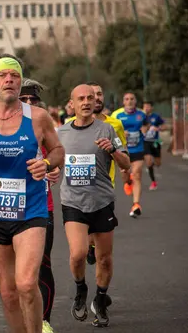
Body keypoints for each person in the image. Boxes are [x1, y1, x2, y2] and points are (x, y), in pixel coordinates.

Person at [0, 55, 64, 333]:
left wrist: (46, 164)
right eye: (2, 75)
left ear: (20, 81)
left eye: (14, 76)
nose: (9, 80)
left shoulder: (38, 117)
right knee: (8, 293)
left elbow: (58, 151)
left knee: (27, 284)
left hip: (31, 211)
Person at [57, 84, 130, 327]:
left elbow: (126, 162)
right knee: (78, 254)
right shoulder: (61, 132)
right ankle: (80, 289)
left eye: (90, 97)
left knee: (104, 259)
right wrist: (48, 170)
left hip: (101, 201)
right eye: (81, 98)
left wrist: (113, 152)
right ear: (72, 103)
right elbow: (51, 162)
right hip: (73, 202)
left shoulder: (107, 129)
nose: (87, 102)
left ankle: (99, 298)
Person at [66, 82, 127, 265]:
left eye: (97, 95)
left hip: (104, 185)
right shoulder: (67, 127)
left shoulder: (113, 125)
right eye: (85, 97)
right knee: (80, 247)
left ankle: (93, 247)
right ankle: (90, 247)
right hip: (77, 192)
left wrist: (115, 153)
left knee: (100, 245)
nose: (95, 98)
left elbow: (123, 154)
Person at [18, 78, 61, 333]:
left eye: (33, 100)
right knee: (17, 276)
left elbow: (56, 153)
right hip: (6, 208)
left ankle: (44, 322)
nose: (29, 104)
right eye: (24, 99)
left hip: (40, 206)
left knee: (42, 266)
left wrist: (53, 169)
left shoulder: (42, 122)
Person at [112, 93, 149, 217]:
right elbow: (110, 132)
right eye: (127, 99)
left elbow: (146, 125)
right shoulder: (116, 115)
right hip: (123, 151)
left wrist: (144, 131)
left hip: (138, 148)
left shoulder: (141, 114)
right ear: (123, 102)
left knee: (137, 173)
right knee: (125, 175)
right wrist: (122, 133)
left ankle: (136, 204)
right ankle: (128, 183)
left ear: (135, 101)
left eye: (132, 99)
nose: (129, 101)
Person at [142, 100, 164, 190]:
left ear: (151, 107)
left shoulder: (156, 116)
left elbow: (164, 126)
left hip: (155, 142)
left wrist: (158, 128)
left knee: (158, 163)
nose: (146, 108)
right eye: (145, 106)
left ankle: (151, 165)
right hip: (145, 142)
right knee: (149, 161)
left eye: (148, 106)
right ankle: (153, 182)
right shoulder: (140, 117)